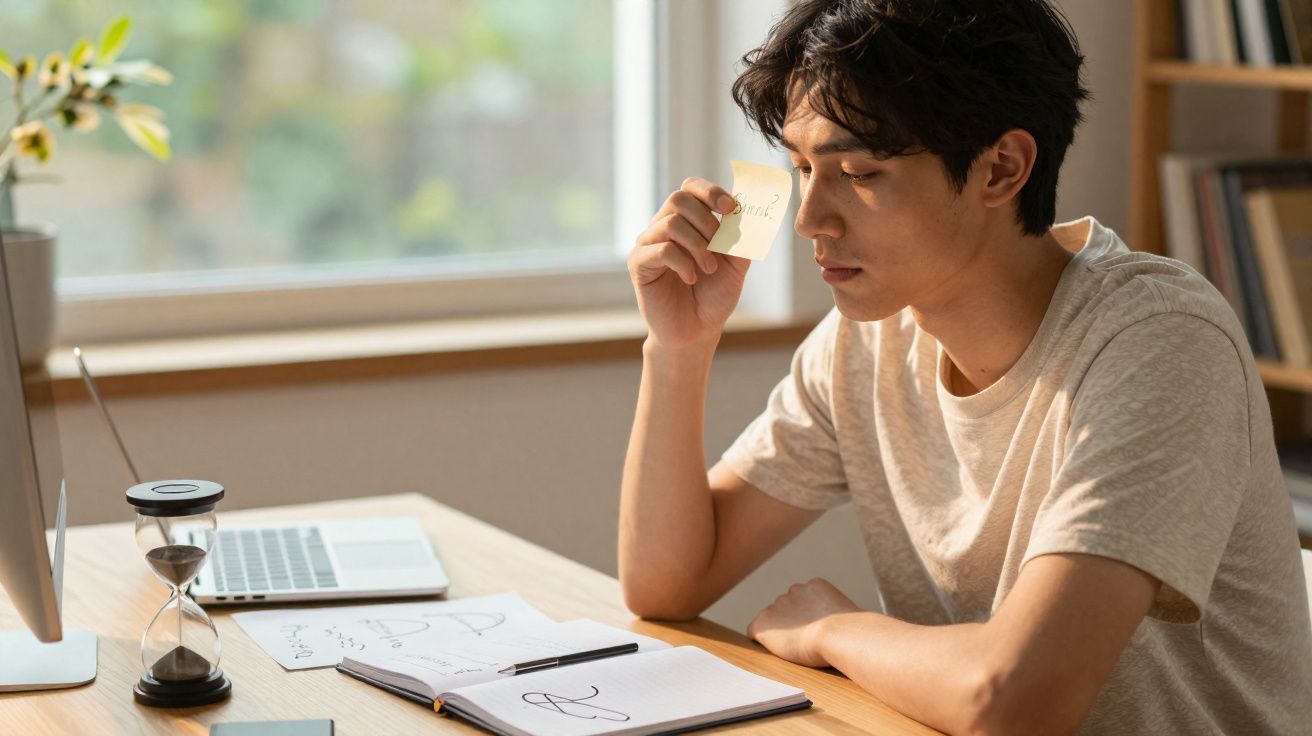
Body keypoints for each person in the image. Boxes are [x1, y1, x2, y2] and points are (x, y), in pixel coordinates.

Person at [618, 1, 1312, 734]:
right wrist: (679, 348)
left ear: (1001, 168)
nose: (809, 219)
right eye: (801, 168)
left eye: (858, 171)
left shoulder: (1160, 341)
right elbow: (667, 582)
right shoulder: (871, 339)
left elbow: (1016, 700)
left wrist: (833, 630)